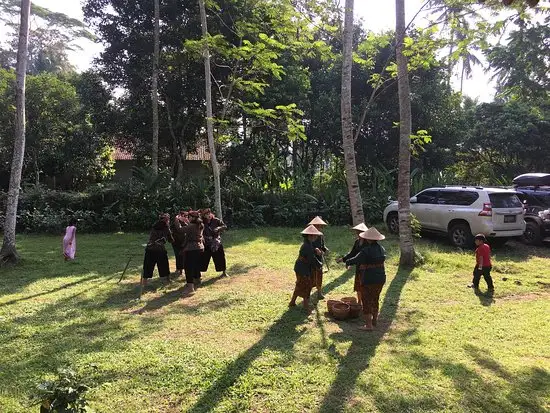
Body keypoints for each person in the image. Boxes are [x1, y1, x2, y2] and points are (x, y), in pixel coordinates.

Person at [345, 227, 387, 331]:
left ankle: (368, 325)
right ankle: (374, 320)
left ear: (368, 239)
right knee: (375, 298)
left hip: (369, 278)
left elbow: (355, 259)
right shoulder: (381, 249)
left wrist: (347, 261)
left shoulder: (366, 250)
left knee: (367, 300)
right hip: (381, 278)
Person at [289, 225, 323, 312]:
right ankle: (306, 306)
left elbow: (311, 256)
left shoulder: (309, 243)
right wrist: (319, 264)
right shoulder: (307, 246)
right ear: (310, 236)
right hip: (302, 268)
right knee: (307, 285)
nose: (316, 237)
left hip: (301, 267)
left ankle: (292, 302)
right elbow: (312, 259)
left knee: (299, 284)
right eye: (315, 235)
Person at [337, 223, 369, 305]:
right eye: (357, 232)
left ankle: (366, 302)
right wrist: (343, 259)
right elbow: (352, 253)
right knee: (358, 286)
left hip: (367, 268)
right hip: (359, 267)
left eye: (360, 232)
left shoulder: (368, 243)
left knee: (365, 286)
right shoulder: (357, 242)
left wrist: (350, 262)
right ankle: (359, 302)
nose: (358, 234)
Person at [176, 210, 204, 296]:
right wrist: (186, 221)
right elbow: (191, 226)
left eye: (189, 217)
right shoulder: (200, 224)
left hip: (191, 249)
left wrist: (177, 221)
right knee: (195, 265)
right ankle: (197, 280)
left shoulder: (192, 226)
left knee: (188, 268)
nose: (187, 218)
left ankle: (190, 288)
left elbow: (180, 230)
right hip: (199, 247)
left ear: (192, 218)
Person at [142, 213, 174, 288]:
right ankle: (167, 280)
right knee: (164, 265)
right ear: (167, 220)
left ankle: (145, 282)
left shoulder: (154, 226)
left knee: (148, 265)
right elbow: (171, 240)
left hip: (150, 249)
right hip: (160, 249)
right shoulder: (166, 228)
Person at [200, 208, 228, 278]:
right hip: (206, 242)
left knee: (220, 257)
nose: (208, 215)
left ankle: (224, 272)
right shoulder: (202, 222)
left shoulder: (216, 220)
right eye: (206, 214)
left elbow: (224, 226)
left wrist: (218, 228)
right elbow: (199, 231)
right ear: (204, 215)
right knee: (203, 258)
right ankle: (198, 275)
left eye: (209, 213)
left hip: (216, 242)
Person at [308, 216, 328, 299]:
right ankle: (307, 295)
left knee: (319, 276)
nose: (319, 227)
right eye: (317, 225)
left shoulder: (320, 235)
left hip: (319, 259)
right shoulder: (309, 234)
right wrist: (315, 250)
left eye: (320, 226)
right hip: (311, 258)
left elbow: (322, 245)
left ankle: (319, 293)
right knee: (311, 277)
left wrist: (325, 249)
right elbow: (307, 246)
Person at [171, 209, 189, 277]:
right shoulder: (176, 222)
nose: (186, 217)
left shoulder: (186, 222)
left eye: (187, 216)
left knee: (183, 256)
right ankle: (179, 269)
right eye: (185, 216)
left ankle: (181, 269)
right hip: (176, 242)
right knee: (178, 255)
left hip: (184, 241)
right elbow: (178, 229)